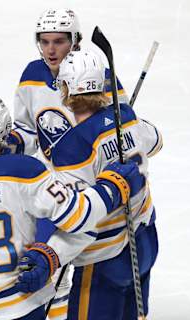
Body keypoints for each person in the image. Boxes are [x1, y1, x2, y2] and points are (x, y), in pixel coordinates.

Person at [0, 95, 145, 320]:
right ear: (5, 130)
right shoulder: (24, 172)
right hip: (17, 308)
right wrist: (113, 186)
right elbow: (79, 217)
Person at [5, 9, 130, 319]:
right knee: (46, 262)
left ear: (75, 41)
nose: (50, 50)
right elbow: (27, 129)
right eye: (44, 41)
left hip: (90, 189)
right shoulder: (31, 75)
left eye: (59, 41)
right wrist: (12, 143)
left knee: (81, 262)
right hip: (51, 189)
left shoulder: (97, 76)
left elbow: (121, 126)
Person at [53, 50, 162, 319]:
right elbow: (156, 140)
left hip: (104, 258)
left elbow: (74, 216)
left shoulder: (71, 146)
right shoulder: (126, 115)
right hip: (145, 242)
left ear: (67, 88)